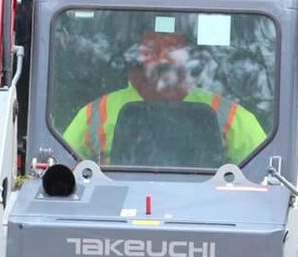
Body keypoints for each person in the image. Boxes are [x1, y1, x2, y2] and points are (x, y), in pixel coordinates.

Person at [61, 30, 267, 164]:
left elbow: (265, 172)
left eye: (171, 50)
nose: (161, 58)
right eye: (153, 50)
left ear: (187, 61)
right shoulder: (96, 113)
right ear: (138, 60)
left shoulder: (227, 114)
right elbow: (60, 168)